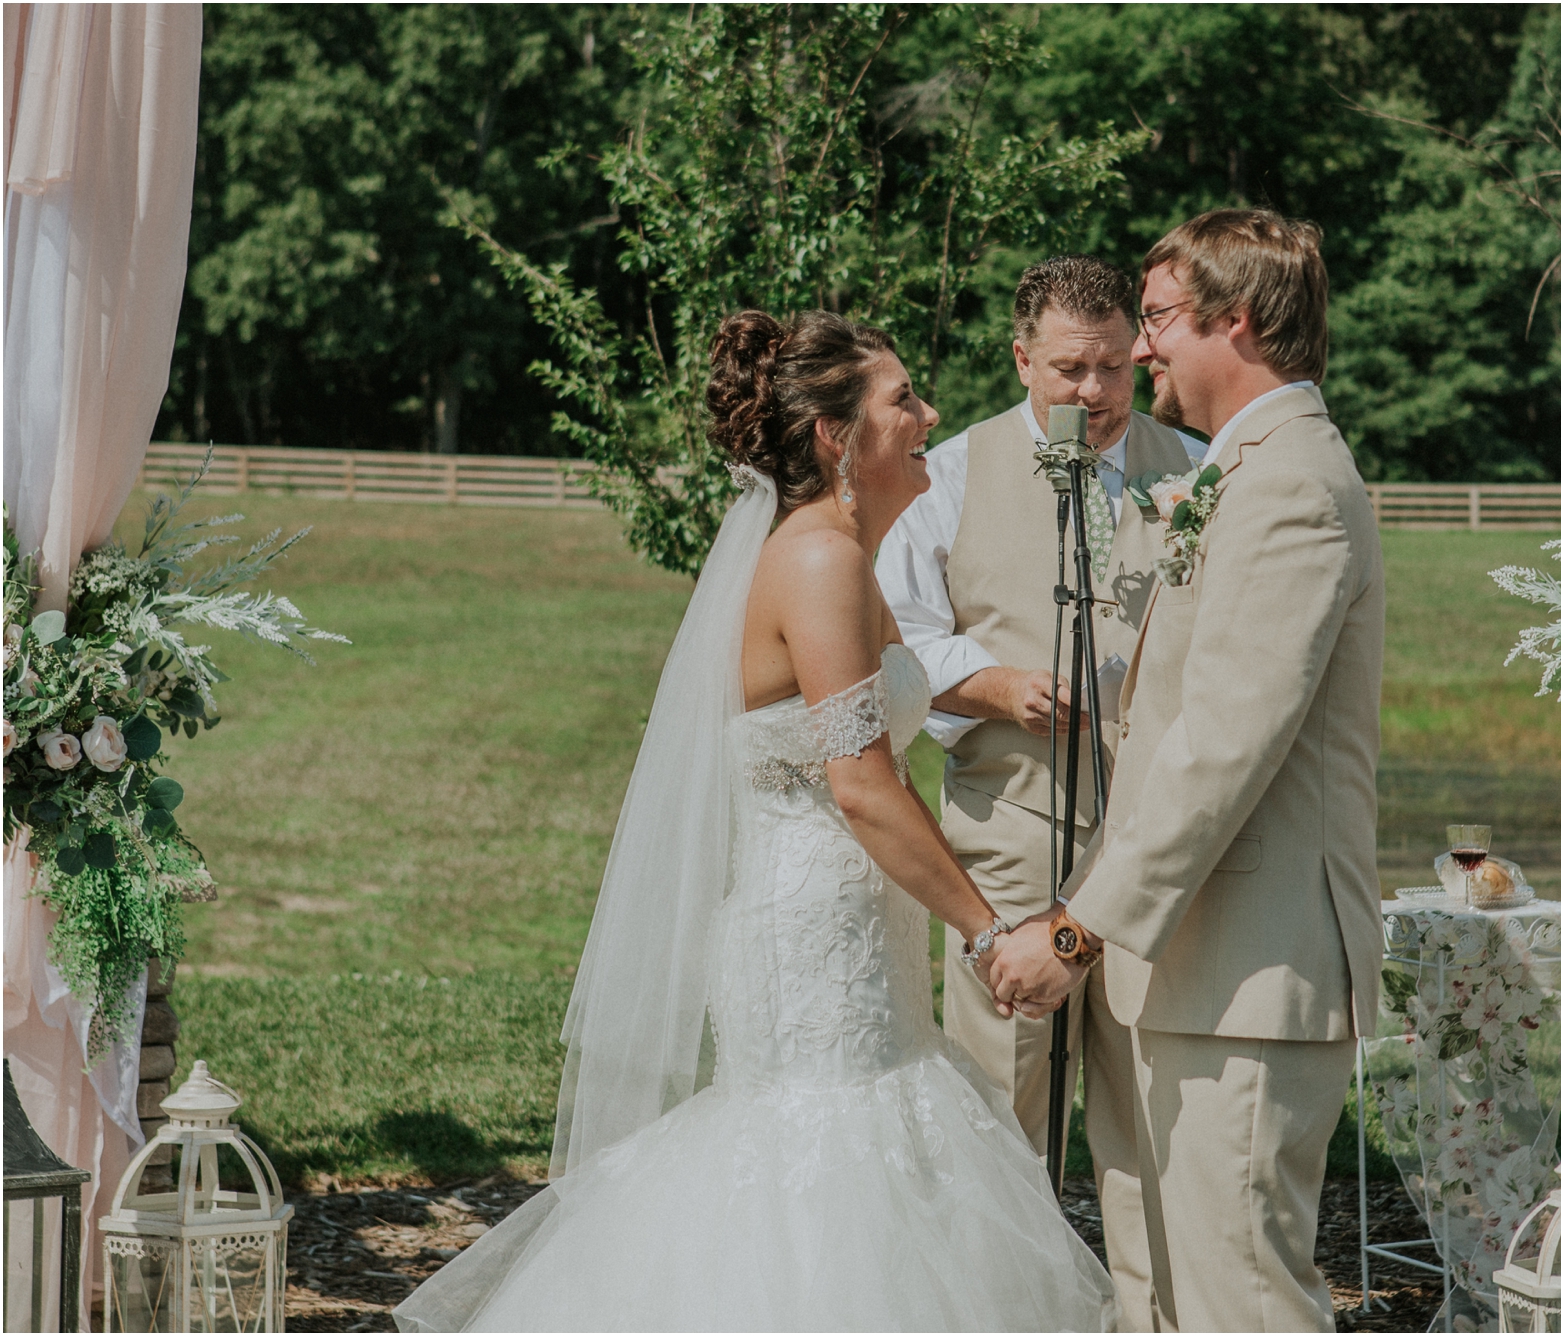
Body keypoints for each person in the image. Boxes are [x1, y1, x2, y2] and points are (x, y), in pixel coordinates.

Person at [394, 310, 1113, 1332]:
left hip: (860, 936)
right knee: (820, 1179)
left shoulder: (838, 553)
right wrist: (989, 932)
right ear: (835, 434)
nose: (928, 414)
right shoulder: (817, 560)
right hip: (814, 939)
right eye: (901, 398)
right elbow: (863, 784)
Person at [986, 210, 1387, 1333]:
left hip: (1249, 979)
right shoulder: (1245, 471)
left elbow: (1222, 748)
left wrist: (1074, 928)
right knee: (1173, 1303)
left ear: (1238, 322)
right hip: (1197, 975)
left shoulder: (1291, 486)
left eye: (1157, 319)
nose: (1142, 347)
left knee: (1242, 1305)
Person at [875, 255, 1202, 1328]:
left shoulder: (1195, 469)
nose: (1094, 393)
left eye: (1114, 366)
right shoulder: (950, 474)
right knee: (999, 1105)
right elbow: (897, 639)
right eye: (1068, 369)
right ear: (1021, 358)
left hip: (1152, 847)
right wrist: (992, 682)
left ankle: (1146, 1317)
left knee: (1146, 1114)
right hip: (1006, 834)